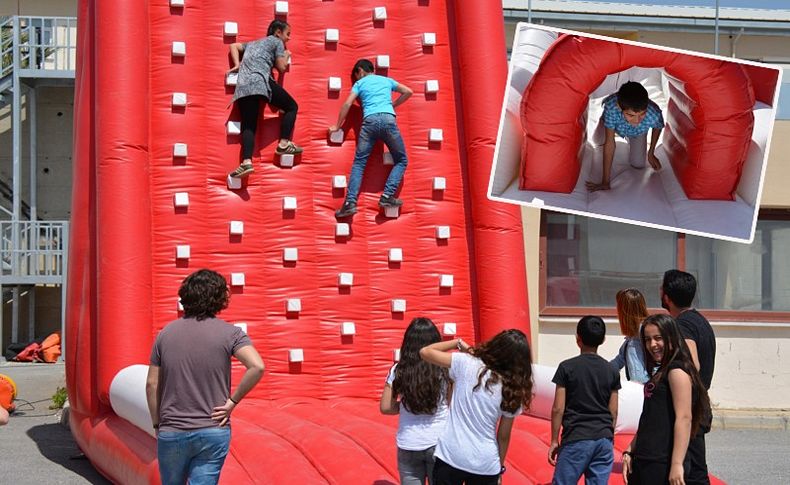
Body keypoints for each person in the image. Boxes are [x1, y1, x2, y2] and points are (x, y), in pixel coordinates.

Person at [146, 269, 264, 485]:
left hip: (172, 429)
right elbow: (257, 366)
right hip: (212, 428)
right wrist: (232, 402)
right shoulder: (231, 334)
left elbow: (152, 384)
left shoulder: (165, 334)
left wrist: (156, 423)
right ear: (218, 298)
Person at [420, 329, 533, 485]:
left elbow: (426, 352)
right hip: (486, 462)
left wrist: (457, 342)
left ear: (496, 346)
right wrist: (499, 467)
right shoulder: (513, 389)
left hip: (452, 455)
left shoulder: (465, 363)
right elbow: (503, 436)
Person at [622, 314, 711, 485]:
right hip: (648, 458)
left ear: (671, 338)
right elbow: (650, 417)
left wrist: (677, 464)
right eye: (647, 340)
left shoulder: (677, 371)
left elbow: (684, 418)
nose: (652, 345)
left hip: (663, 461)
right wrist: (631, 449)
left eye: (657, 338)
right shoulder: (662, 371)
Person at [330, 59, 413, 218]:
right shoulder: (386, 80)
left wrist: (337, 126)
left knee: (360, 163)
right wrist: (392, 105)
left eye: (357, 76)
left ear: (360, 71)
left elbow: (347, 104)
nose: (357, 79)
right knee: (401, 160)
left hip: (369, 122)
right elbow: (408, 91)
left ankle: (350, 203)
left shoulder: (360, 84)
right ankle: (387, 196)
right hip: (389, 120)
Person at [549, 316, 621, 485]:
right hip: (603, 438)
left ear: (578, 339)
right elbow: (614, 411)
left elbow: (558, 408)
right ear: (603, 339)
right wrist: (609, 435)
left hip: (576, 437)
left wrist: (554, 440)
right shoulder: (611, 370)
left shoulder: (567, 367)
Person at [660, 270, 716, 485]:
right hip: (698, 405)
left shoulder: (682, 325)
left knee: (686, 472)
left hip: (689, 407)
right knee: (697, 470)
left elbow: (692, 363)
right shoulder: (700, 321)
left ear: (666, 296)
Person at [228, 19, 302, 179]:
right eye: (287, 34)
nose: (289, 38)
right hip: (260, 81)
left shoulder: (253, 44)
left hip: (243, 85)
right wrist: (286, 55)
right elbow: (281, 67)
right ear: (278, 33)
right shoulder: (277, 42)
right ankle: (283, 143)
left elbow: (233, 46)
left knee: (249, 125)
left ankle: (246, 162)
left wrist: (237, 64)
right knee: (292, 107)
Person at [381, 318, 451, 485]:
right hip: (439, 442)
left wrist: (407, 405)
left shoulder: (398, 370)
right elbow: (451, 403)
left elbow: (386, 407)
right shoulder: (445, 369)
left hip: (408, 443)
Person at [587, 81, 664, 192]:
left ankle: (630, 139)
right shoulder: (612, 107)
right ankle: (611, 128)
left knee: (638, 164)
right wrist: (605, 182)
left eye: (642, 114)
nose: (637, 120)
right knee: (597, 141)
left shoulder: (654, 112)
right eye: (631, 115)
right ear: (619, 107)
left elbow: (658, 127)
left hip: (637, 132)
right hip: (613, 126)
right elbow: (609, 143)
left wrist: (651, 153)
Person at [610, 288, 650, 383]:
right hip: (639, 388)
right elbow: (619, 360)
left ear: (624, 311)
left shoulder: (645, 331)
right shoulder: (631, 339)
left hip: (647, 389)